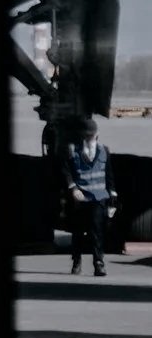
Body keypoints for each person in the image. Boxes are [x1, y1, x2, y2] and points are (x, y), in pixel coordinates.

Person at [63, 117, 116, 277]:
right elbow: (66, 171)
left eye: (91, 136)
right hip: (81, 198)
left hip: (99, 198)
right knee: (78, 231)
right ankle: (77, 261)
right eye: (87, 136)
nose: (90, 139)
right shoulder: (73, 151)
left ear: (97, 135)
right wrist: (73, 188)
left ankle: (98, 263)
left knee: (97, 231)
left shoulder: (104, 151)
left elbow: (109, 175)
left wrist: (112, 196)